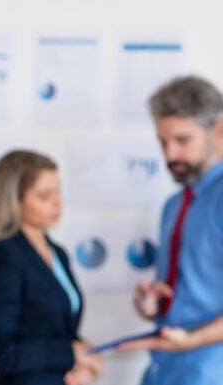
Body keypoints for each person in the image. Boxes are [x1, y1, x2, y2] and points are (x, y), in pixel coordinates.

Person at [118, 75, 223, 385]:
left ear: (218, 130)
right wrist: (151, 303)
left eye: (182, 140)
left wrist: (192, 340)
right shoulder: (174, 205)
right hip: (163, 372)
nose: (169, 155)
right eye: (163, 142)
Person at [0, 150, 102, 385]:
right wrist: (70, 353)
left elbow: (56, 330)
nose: (58, 203)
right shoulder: (2, 257)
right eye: (45, 195)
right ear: (14, 202)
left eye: (58, 191)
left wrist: (81, 359)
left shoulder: (58, 253)